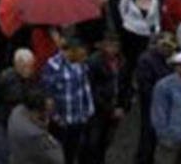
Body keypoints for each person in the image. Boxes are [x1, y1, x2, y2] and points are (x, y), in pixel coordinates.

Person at [40, 36, 94, 164]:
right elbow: (47, 95)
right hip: (61, 122)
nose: (84, 58)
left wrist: (87, 112)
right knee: (57, 156)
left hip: (78, 119)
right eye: (81, 55)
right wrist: (57, 118)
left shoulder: (81, 64)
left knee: (71, 153)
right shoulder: (53, 67)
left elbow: (85, 88)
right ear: (71, 52)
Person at [0, 48, 37, 164]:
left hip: (24, 123)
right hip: (5, 121)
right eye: (25, 66)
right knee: (2, 153)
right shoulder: (5, 79)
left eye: (30, 66)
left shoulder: (31, 78)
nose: (29, 70)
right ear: (17, 65)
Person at [135, 32, 177, 164]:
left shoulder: (170, 62)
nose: (167, 49)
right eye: (164, 45)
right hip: (151, 104)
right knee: (147, 137)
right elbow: (145, 86)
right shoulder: (146, 59)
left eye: (170, 46)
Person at [85, 33, 126, 164]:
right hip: (99, 110)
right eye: (110, 45)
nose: (113, 49)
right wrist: (109, 109)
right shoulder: (94, 62)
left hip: (114, 108)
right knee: (93, 143)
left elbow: (124, 84)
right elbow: (92, 90)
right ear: (103, 45)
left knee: (106, 141)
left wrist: (123, 105)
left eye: (116, 46)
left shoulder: (121, 61)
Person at [7, 88, 64, 164]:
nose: (50, 113)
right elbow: (59, 159)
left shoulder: (16, 112)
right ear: (37, 112)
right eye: (47, 110)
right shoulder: (37, 135)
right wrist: (44, 128)